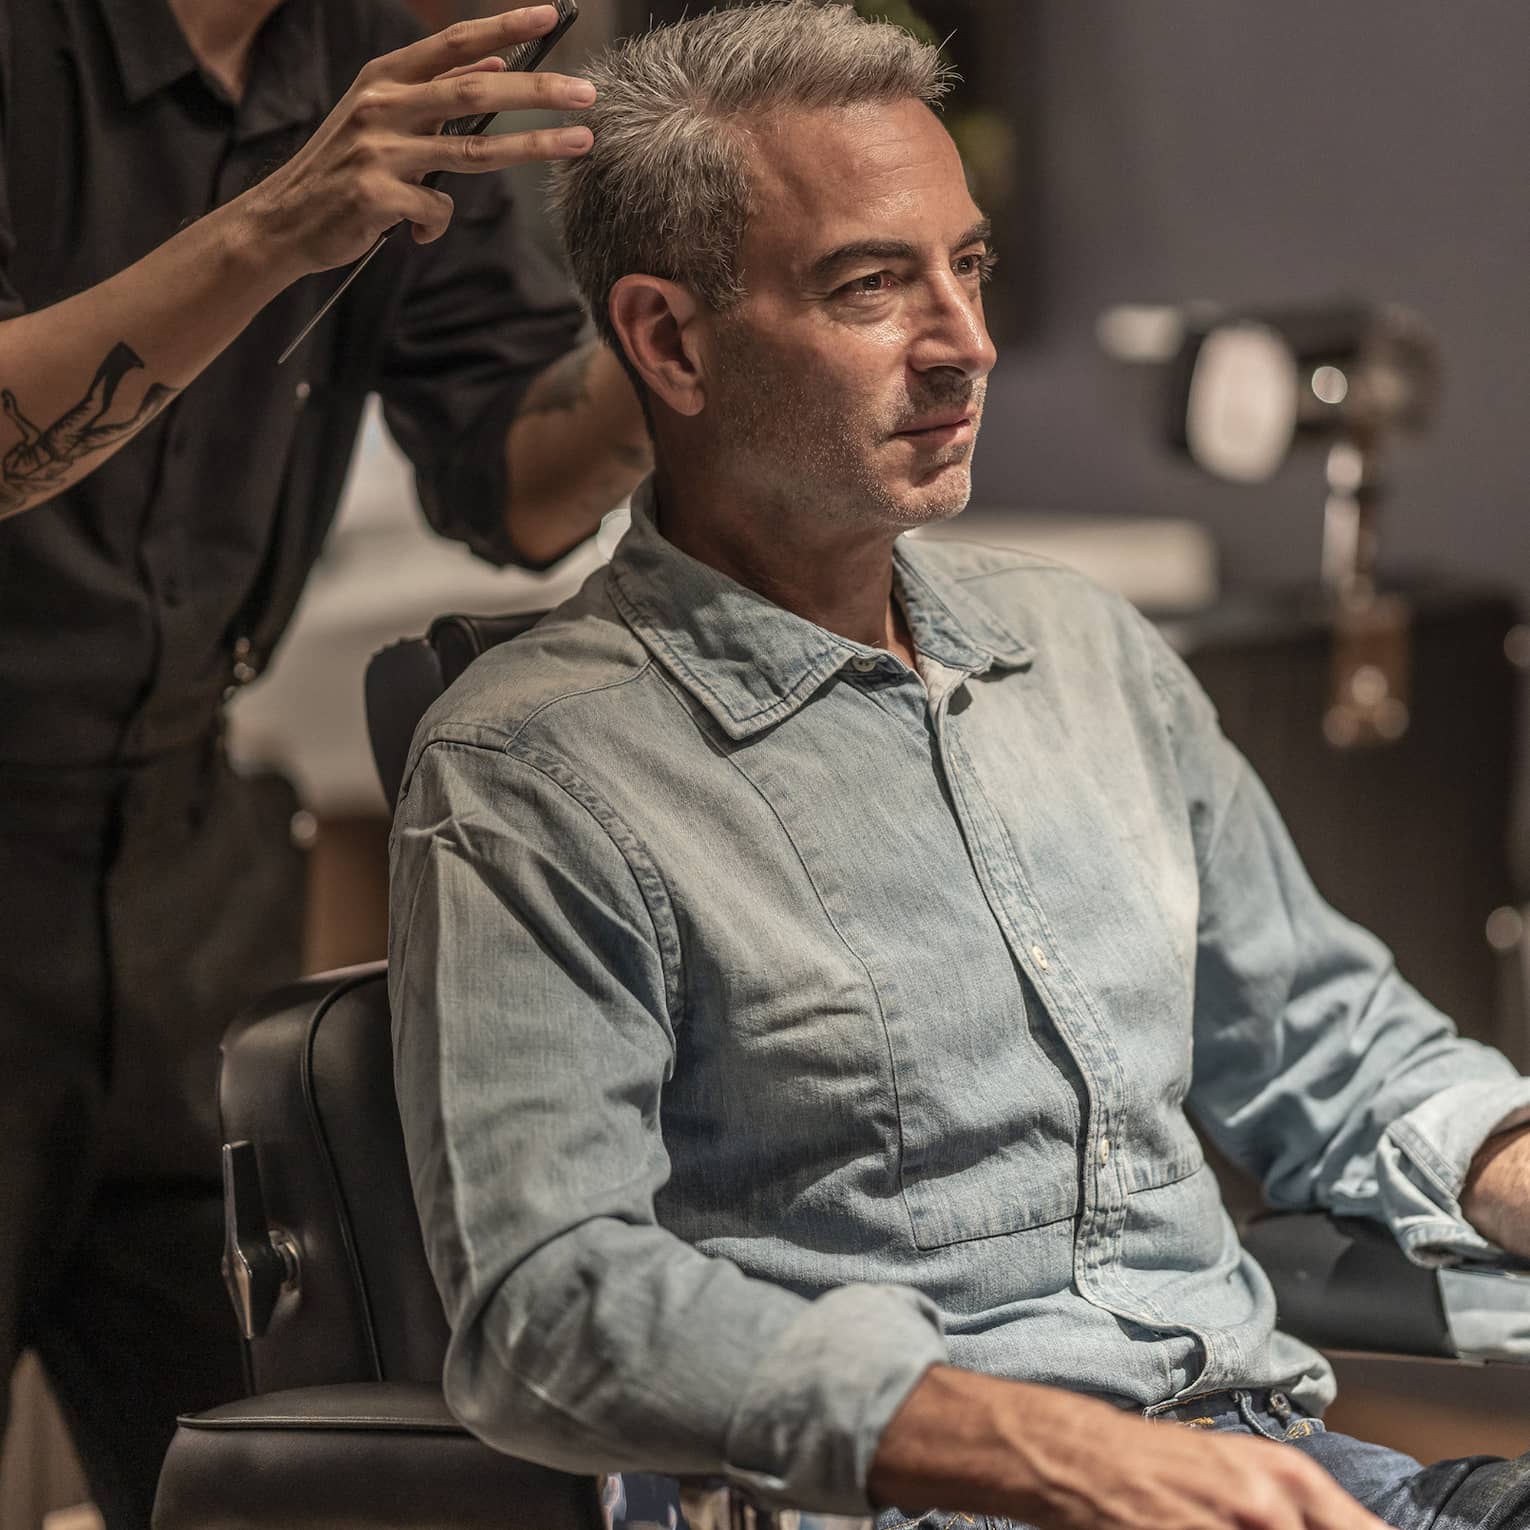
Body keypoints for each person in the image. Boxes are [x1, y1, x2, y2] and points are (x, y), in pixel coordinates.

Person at [389, 5, 1530, 1529]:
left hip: (1274, 1469)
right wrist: (1044, 1447)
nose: (964, 343)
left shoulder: (1081, 650)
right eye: (870, 284)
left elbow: (1327, 1046)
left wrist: (1508, 1162)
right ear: (667, 340)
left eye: (968, 266)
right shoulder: (536, 768)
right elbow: (553, 1304)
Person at [0, 1, 649, 1523]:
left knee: (279, 1473)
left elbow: (515, 479)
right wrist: (274, 226)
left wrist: (681, 346)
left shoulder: (370, 58)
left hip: (184, 872)